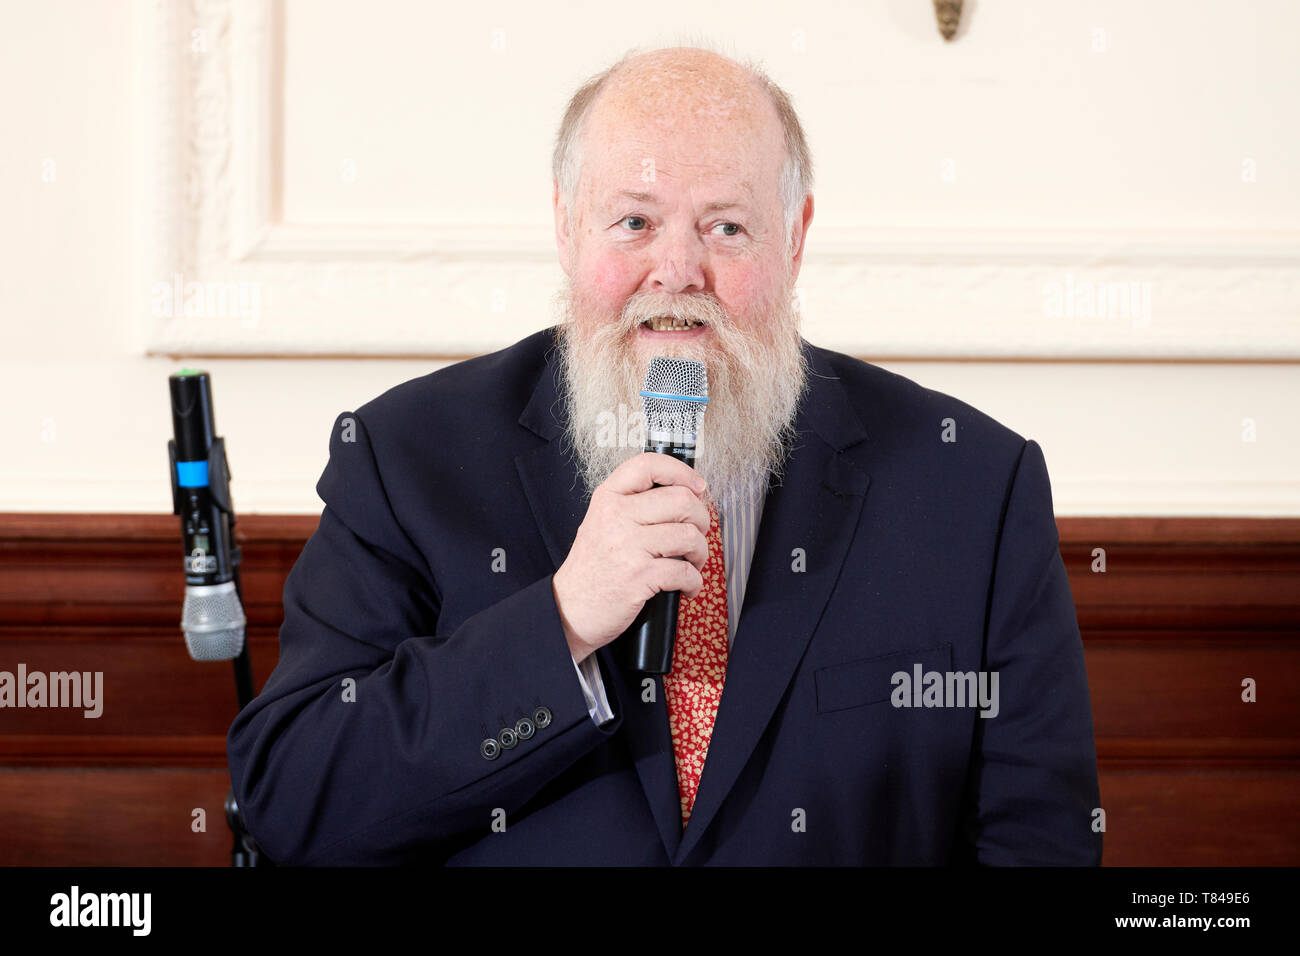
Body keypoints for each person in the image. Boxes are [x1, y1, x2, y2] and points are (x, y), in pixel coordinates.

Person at [226, 45, 1102, 866]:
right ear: (568, 227)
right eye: (635, 221)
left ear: (794, 239)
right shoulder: (409, 457)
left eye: (726, 227)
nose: (677, 270)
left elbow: (1040, 843)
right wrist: (562, 621)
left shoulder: (972, 488)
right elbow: (296, 797)